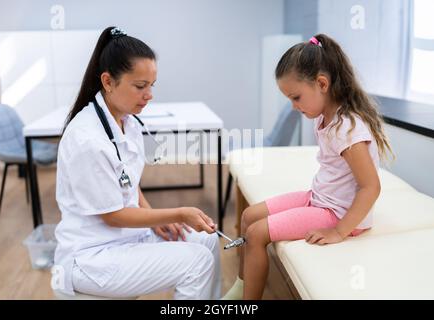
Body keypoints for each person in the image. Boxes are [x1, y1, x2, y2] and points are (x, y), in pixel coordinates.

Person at [53, 26, 221, 299]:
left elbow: (126, 181)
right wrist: (178, 214)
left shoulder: (127, 121)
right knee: (196, 261)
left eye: (151, 85)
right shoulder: (87, 140)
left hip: (126, 238)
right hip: (92, 257)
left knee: (207, 240)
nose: (149, 95)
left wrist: (153, 217)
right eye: (140, 86)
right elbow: (113, 215)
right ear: (108, 82)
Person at [222, 34, 393, 300]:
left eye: (296, 97)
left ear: (322, 83)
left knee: (256, 233)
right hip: (319, 200)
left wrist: (338, 231)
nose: (293, 106)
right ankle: (242, 287)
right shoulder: (324, 117)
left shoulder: (347, 128)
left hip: (338, 214)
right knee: (248, 216)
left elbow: (371, 186)